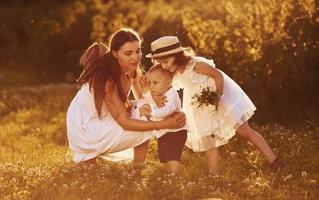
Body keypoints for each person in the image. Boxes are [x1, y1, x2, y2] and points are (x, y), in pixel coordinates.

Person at [146, 36, 285, 175]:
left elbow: (218, 76)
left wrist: (217, 97)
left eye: (166, 62)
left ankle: (275, 161)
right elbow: (155, 79)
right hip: (199, 104)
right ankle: (214, 175)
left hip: (219, 94)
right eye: (160, 63)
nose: (164, 66)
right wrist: (151, 90)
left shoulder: (195, 65)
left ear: (177, 56)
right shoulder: (170, 70)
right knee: (208, 140)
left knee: (244, 130)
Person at [66, 29, 186, 167]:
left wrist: (173, 111)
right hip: (86, 126)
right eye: (128, 53)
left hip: (106, 116)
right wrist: (163, 124)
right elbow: (124, 123)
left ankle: (139, 166)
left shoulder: (131, 67)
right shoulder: (107, 80)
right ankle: (90, 152)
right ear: (115, 53)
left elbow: (145, 97)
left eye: (138, 51)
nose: (135, 57)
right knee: (145, 115)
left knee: (144, 108)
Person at [135, 64, 187, 174]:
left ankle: (174, 175)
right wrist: (145, 88)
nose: (152, 86)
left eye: (155, 83)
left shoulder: (171, 95)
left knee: (172, 156)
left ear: (168, 83)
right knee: (165, 157)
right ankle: (169, 174)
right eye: (150, 83)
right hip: (165, 132)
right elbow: (151, 100)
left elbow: (167, 110)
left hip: (175, 132)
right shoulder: (161, 92)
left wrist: (150, 113)